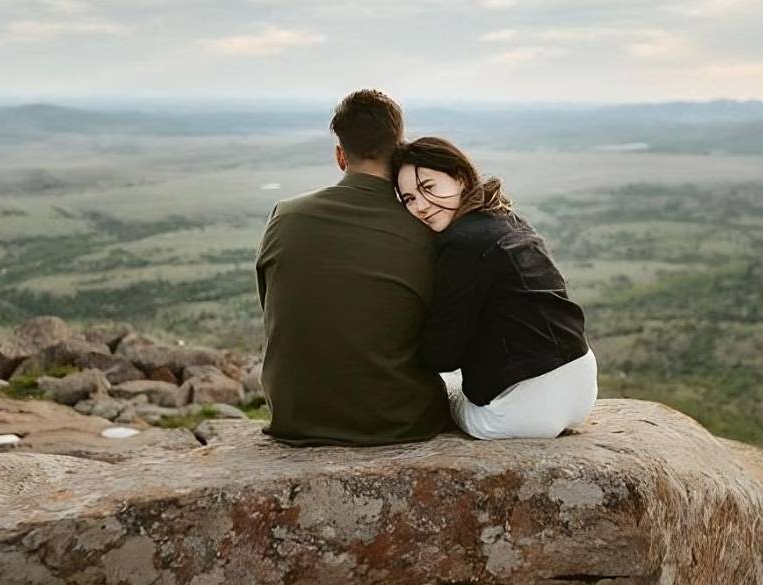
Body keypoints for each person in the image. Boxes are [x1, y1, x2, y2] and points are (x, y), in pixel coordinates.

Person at [255, 90, 450, 446]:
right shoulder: (425, 231)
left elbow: (276, 307)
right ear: (398, 152)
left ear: (340, 155)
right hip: (399, 421)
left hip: (296, 417)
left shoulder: (285, 216)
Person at [391, 136, 597, 440]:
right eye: (409, 199)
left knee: (441, 388)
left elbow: (441, 355)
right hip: (582, 388)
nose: (420, 206)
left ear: (460, 178)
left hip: (519, 413)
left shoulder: (460, 243)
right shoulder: (508, 219)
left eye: (428, 188)